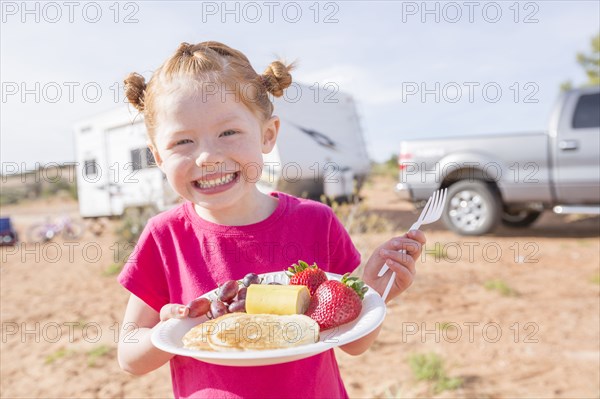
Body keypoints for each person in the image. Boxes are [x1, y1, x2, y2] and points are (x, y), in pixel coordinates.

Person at [117, 41, 426, 399]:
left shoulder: (316, 221)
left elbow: (351, 344)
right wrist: (171, 330)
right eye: (182, 141)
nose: (207, 157)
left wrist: (373, 292)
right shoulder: (164, 236)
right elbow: (129, 357)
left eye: (228, 132)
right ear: (157, 156)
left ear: (267, 134)